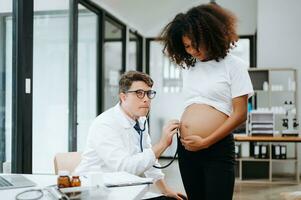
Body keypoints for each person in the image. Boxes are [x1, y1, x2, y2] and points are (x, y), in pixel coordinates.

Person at [159, 3, 254, 200]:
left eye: (195, 43)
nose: (192, 50)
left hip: (216, 148)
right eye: (186, 46)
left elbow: (240, 114)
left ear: (209, 36)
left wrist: (206, 141)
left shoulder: (233, 65)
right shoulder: (189, 68)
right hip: (187, 149)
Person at [75, 71, 186, 200]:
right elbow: (125, 168)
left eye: (149, 93)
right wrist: (162, 144)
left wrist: (166, 191)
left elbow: (150, 160)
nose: (146, 99)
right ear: (123, 97)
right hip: (96, 192)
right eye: (139, 93)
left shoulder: (141, 120)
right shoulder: (105, 124)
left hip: (123, 189)